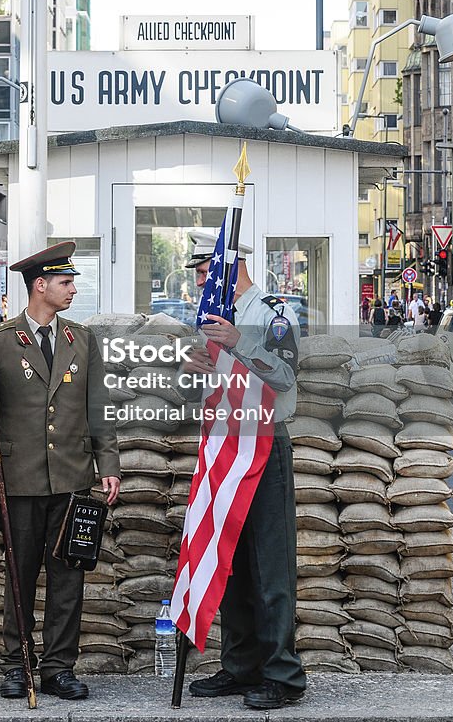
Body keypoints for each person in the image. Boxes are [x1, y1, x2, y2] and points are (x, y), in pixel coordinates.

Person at [0, 242, 120, 702]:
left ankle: (58, 668)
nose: (74, 289)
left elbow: (98, 409)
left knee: (68, 578)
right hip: (20, 479)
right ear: (40, 285)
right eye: (66, 283)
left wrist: (107, 465)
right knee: (19, 575)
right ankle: (17, 665)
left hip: (72, 479)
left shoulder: (82, 339)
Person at [181, 230, 306, 712]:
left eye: (205, 273)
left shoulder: (272, 314)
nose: (199, 284)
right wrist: (194, 372)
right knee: (227, 554)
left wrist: (239, 341)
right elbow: (207, 387)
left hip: (263, 443)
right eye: (197, 275)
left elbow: (287, 373)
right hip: (224, 442)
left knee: (271, 562)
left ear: (230, 270)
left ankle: (282, 673)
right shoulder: (211, 319)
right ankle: (239, 665)